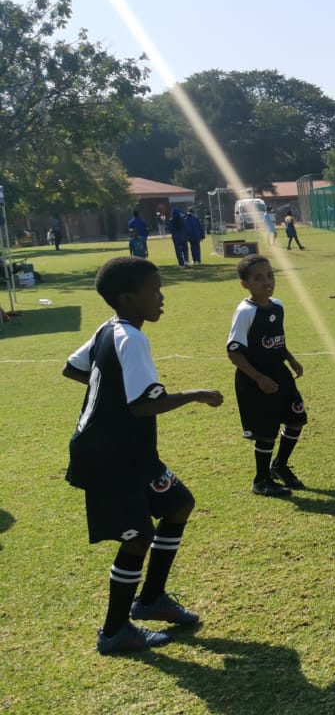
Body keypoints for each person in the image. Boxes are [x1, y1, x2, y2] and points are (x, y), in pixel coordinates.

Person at [61, 256, 223, 654]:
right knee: (138, 538)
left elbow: (73, 367)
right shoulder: (130, 338)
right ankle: (114, 632)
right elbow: (143, 405)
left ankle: (151, 600)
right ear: (128, 297)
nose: (161, 297)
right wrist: (196, 394)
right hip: (108, 458)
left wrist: (110, 395)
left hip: (133, 454)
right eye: (154, 290)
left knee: (178, 504)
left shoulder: (111, 328)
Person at [226, 254, 308, 497]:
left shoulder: (278, 306)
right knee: (267, 431)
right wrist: (259, 378)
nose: (267, 282)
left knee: (296, 418)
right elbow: (234, 352)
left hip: (280, 373)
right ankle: (261, 480)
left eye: (270, 275)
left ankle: (279, 466)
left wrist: (290, 359)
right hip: (254, 379)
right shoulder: (245, 312)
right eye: (258, 278)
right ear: (245, 284)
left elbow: (276, 339)